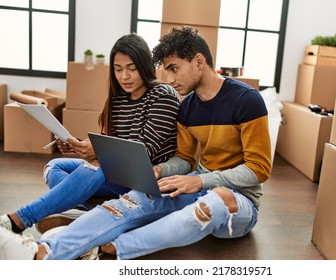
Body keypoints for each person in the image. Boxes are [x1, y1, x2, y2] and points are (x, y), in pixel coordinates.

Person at [0, 26, 272, 260]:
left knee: (214, 202)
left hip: (239, 196)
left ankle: (113, 247)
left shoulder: (246, 100)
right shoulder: (188, 107)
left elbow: (259, 169)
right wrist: (160, 171)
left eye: (174, 69)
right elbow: (185, 161)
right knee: (137, 198)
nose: (170, 78)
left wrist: (201, 181)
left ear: (199, 62)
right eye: (166, 70)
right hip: (196, 182)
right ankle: (44, 252)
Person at [0, 33, 180, 236]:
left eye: (132, 69)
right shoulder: (118, 99)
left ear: (145, 66)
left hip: (148, 180)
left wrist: (98, 153)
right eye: (118, 69)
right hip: (118, 175)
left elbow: (145, 153)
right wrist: (78, 146)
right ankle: (93, 212)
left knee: (99, 167)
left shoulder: (163, 95)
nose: (124, 77)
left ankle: (21, 219)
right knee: (54, 166)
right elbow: (111, 143)